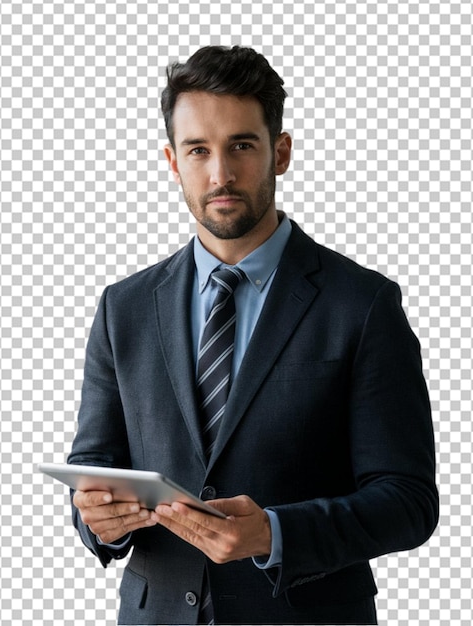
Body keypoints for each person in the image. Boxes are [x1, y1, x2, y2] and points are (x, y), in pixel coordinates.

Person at [67, 45, 438, 625]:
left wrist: (275, 533)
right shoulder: (125, 307)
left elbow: (409, 502)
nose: (220, 174)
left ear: (280, 152)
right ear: (172, 161)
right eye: (198, 150)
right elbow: (94, 466)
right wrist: (96, 521)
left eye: (242, 145)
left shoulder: (363, 304)